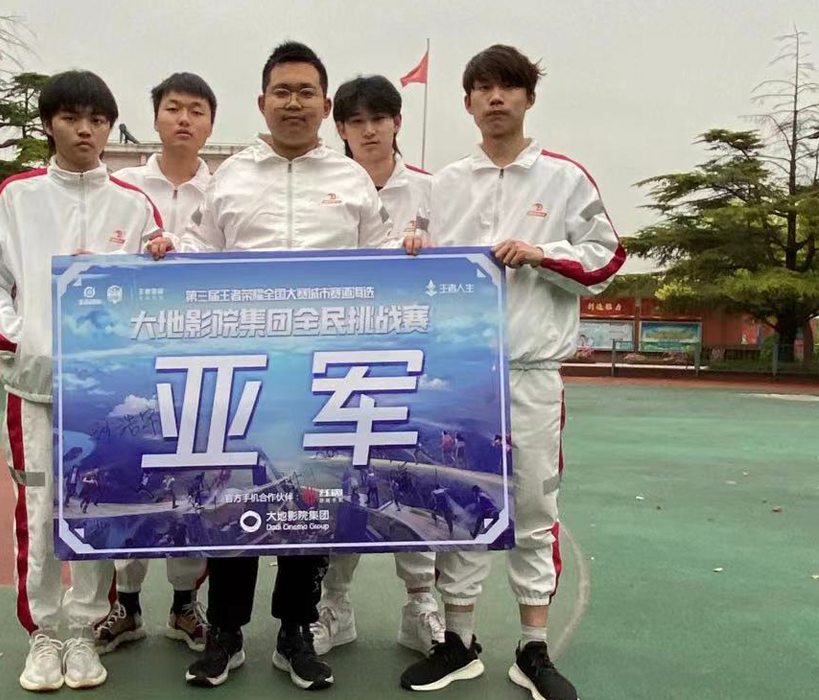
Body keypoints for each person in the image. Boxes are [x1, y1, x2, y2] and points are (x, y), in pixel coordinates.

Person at [148, 41, 423, 691]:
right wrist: (168, 249)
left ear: (324, 107)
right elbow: (199, 254)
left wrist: (411, 250)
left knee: (311, 500)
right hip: (243, 374)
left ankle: (297, 630)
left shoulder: (350, 180)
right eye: (282, 91)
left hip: (324, 377)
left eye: (306, 92)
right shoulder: (231, 178)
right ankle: (226, 633)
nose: (293, 103)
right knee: (235, 499)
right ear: (262, 102)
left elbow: (383, 262)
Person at [399, 45, 625, 698]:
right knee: (459, 503)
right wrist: (412, 248)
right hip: (460, 377)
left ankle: (532, 647)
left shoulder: (564, 179)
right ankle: (458, 641)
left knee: (531, 506)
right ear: (467, 101)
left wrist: (542, 253)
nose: (495, 98)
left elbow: (607, 258)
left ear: (528, 97)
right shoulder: (444, 184)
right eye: (483, 88)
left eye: (508, 87)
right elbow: (416, 260)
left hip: (530, 372)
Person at [0, 70, 162, 692]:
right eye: (72, 118)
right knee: (40, 508)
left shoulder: (134, 206)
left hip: (106, 398)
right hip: (35, 391)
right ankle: (44, 634)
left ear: (109, 127)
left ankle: (85, 630)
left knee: (98, 509)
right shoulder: (16, 197)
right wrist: (22, 342)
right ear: (49, 124)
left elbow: (157, 294)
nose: (85, 131)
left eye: (98, 120)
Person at [310, 74, 443, 660]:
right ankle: (333, 606)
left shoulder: (434, 192)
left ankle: (421, 605)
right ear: (339, 127)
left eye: (379, 119)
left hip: (412, 360)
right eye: (356, 121)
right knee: (342, 484)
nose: (368, 131)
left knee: (410, 479)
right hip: (338, 361)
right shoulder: (322, 187)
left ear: (397, 123)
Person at [100, 75, 215, 655]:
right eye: (173, 108)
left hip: (200, 361)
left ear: (211, 123)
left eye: (196, 110)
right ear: (155, 118)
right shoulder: (120, 188)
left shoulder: (224, 192)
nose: (184, 119)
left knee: (192, 485)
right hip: (134, 360)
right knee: (129, 476)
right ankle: (125, 606)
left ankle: (185, 605)